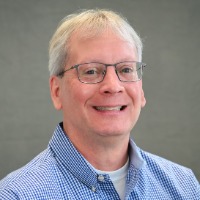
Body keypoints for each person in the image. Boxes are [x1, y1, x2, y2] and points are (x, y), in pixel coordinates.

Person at [0, 9, 199, 200]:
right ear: (56, 91)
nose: (113, 86)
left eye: (126, 69)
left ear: (141, 90)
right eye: (91, 71)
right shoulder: (15, 195)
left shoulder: (185, 187)